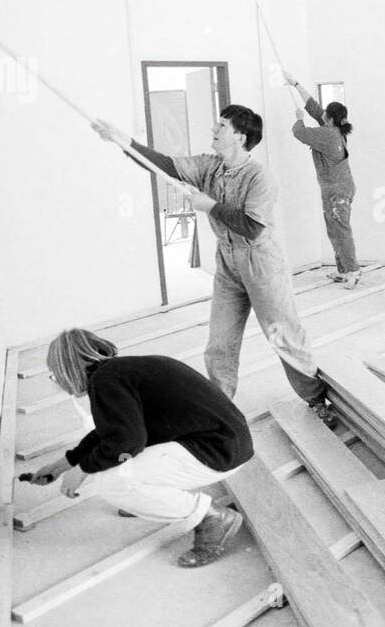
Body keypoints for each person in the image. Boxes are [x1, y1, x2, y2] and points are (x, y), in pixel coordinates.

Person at [92, 105, 335, 425]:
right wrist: (123, 141)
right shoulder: (211, 167)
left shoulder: (259, 177)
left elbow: (251, 226)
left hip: (261, 264)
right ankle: (217, 408)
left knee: (283, 336)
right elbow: (166, 165)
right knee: (219, 344)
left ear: (240, 135)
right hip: (228, 265)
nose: (213, 130)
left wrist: (209, 205)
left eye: (221, 126)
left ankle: (315, 398)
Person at [27, 328, 254, 568]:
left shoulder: (104, 381)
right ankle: (145, 500)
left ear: (68, 368)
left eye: (55, 376)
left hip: (216, 453)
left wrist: (82, 469)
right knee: (116, 464)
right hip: (226, 445)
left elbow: (127, 443)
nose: (59, 383)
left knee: (112, 482)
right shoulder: (121, 371)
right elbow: (110, 432)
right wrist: (63, 465)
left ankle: (213, 518)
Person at [284, 72, 361, 287]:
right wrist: (295, 83)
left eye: (326, 113)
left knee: (341, 230)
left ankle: (353, 271)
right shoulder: (334, 129)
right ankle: (344, 270)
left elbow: (300, 133)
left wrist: (298, 117)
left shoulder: (327, 135)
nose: (322, 114)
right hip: (336, 189)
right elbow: (315, 108)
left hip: (338, 192)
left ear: (330, 119)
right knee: (334, 229)